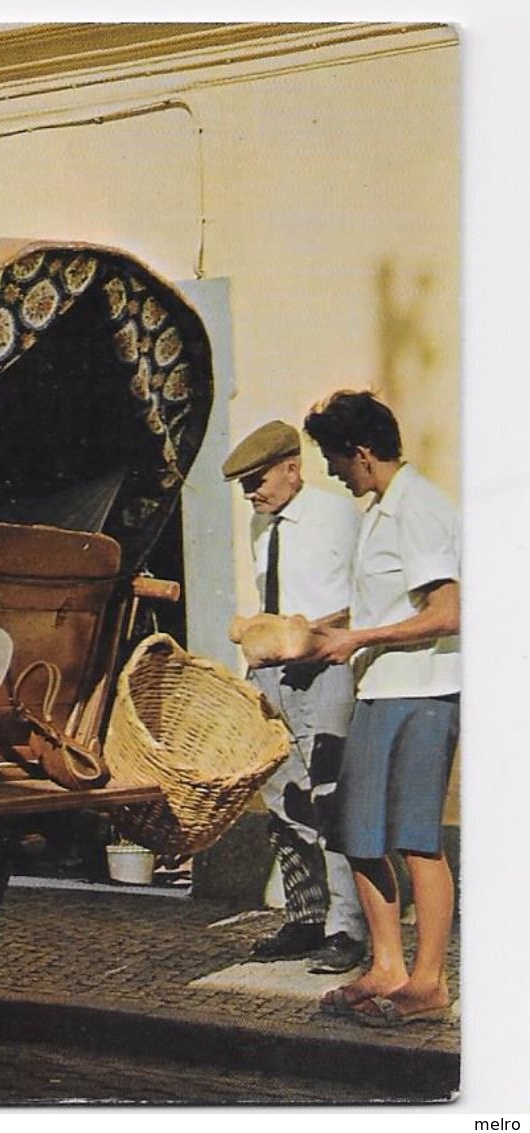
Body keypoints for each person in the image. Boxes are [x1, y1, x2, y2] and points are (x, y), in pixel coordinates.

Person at [303, 391, 460, 1027]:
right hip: (380, 687)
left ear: (364, 454)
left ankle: (428, 984)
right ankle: (388, 967)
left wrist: (356, 640)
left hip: (422, 690)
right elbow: (388, 605)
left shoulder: (419, 509)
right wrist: (318, 629)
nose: (333, 472)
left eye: (337, 459)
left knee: (417, 838)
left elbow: (448, 612)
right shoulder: (379, 509)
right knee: (358, 833)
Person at [222, 420, 367, 973]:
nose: (251, 494)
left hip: (324, 670)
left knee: (330, 799)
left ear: (292, 468)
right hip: (272, 676)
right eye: (243, 487)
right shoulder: (262, 527)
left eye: (258, 481)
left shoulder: (335, 514)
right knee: (283, 798)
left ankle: (346, 930)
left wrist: (308, 635)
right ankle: (306, 917)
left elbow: (364, 599)